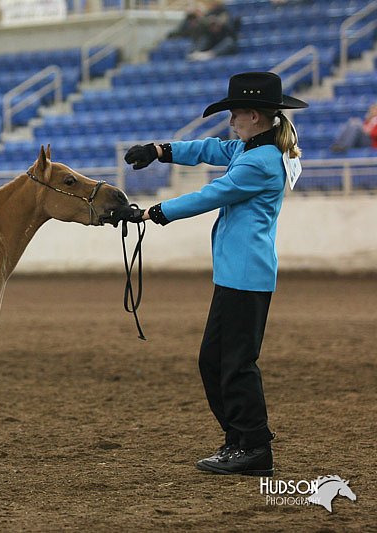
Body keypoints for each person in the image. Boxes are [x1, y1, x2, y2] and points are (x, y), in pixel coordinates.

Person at [116, 72, 308, 476]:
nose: (230, 121)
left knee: (236, 364)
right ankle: (240, 441)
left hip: (246, 275)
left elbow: (212, 194)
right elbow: (209, 148)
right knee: (215, 361)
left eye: (235, 114)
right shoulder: (252, 147)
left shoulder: (261, 162)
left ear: (254, 116)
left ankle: (253, 446)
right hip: (236, 275)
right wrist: (161, 150)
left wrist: (154, 212)